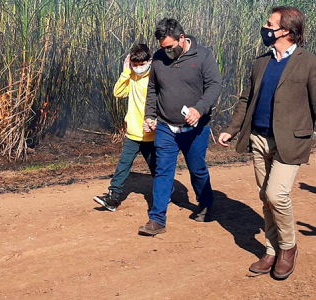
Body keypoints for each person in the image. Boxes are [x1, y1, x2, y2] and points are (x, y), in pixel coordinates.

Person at [217, 6, 316, 280]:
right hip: (258, 138)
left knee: (276, 195)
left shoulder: (311, 63)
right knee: (265, 197)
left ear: (287, 31)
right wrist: (232, 129)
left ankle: (288, 248)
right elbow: (246, 100)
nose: (265, 28)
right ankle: (271, 250)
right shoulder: (261, 62)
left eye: (270, 24)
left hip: (290, 142)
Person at [138, 18, 222, 236]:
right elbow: (153, 88)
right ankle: (157, 220)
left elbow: (214, 86)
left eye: (170, 47)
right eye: (162, 48)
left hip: (195, 128)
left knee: (197, 169)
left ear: (181, 38)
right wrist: (150, 115)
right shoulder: (158, 58)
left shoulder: (203, 56)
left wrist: (200, 108)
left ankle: (205, 204)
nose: (166, 52)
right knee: (163, 171)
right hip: (166, 127)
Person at [94, 43, 156, 212]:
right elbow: (118, 92)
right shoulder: (132, 76)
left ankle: (165, 190)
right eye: (134, 65)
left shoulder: (156, 77)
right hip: (133, 132)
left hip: (151, 133)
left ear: (150, 61)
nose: (138, 68)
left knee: (156, 167)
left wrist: (155, 122)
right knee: (123, 164)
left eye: (141, 65)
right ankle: (113, 198)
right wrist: (126, 72)